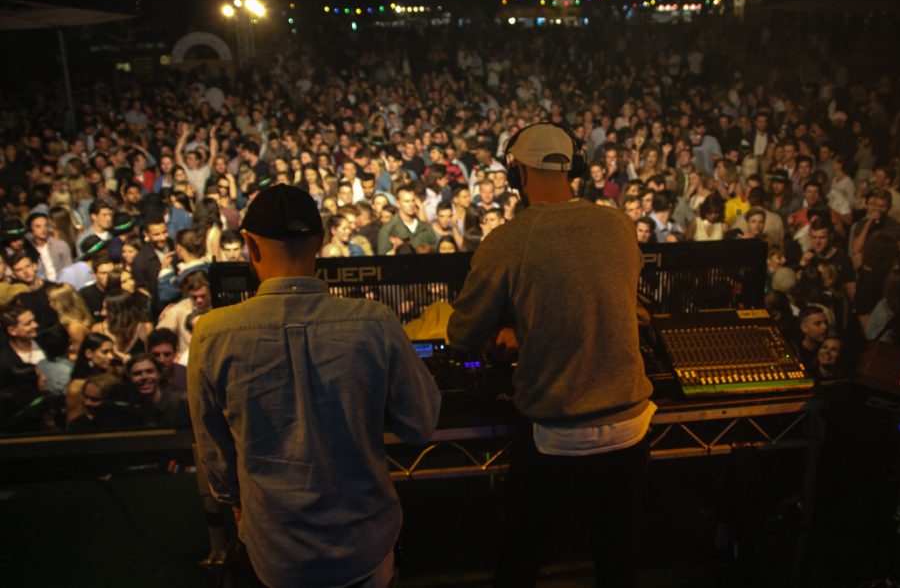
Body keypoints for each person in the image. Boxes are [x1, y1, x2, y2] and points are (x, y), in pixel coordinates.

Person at [189, 184, 440, 588]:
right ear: (321, 242)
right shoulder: (374, 322)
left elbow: (215, 459)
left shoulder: (211, 334)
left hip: (275, 551)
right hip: (366, 543)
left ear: (250, 245)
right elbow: (421, 423)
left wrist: (239, 506)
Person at [448, 122, 654, 588]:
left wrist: (507, 334)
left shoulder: (509, 239)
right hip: (630, 425)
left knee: (521, 561)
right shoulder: (619, 226)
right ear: (573, 167)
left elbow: (462, 334)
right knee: (618, 563)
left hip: (556, 435)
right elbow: (607, 306)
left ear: (518, 171)